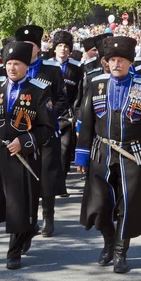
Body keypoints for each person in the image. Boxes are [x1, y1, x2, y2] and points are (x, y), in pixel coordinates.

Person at [75, 36, 141, 274]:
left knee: (128, 206)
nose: (116, 64)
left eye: (121, 60)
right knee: (99, 205)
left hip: (132, 153)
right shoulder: (96, 84)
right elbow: (86, 122)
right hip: (101, 151)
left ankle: (119, 252)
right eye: (112, 60)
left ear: (129, 62)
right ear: (106, 62)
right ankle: (108, 240)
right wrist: (81, 156)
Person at [0, 41, 55, 270]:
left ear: (26, 66)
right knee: (4, 203)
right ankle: (28, 228)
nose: (12, 68)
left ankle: (13, 251)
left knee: (18, 203)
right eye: (8, 63)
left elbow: (47, 128)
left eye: (17, 64)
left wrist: (25, 141)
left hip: (25, 156)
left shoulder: (39, 89)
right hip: (0, 154)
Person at [16, 25, 68, 237]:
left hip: (46, 133)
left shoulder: (52, 70)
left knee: (47, 178)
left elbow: (62, 100)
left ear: (39, 48)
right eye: (25, 45)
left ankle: (48, 217)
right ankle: (30, 219)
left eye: (33, 45)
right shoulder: (13, 69)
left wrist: (45, 117)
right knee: (26, 178)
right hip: (20, 134)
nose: (29, 48)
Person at [52, 31, 84, 190]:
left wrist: (77, 116)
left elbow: (79, 93)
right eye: (59, 46)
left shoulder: (77, 68)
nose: (63, 49)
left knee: (64, 151)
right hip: (49, 114)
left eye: (65, 46)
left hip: (67, 116)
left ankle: (61, 183)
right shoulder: (47, 65)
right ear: (54, 48)